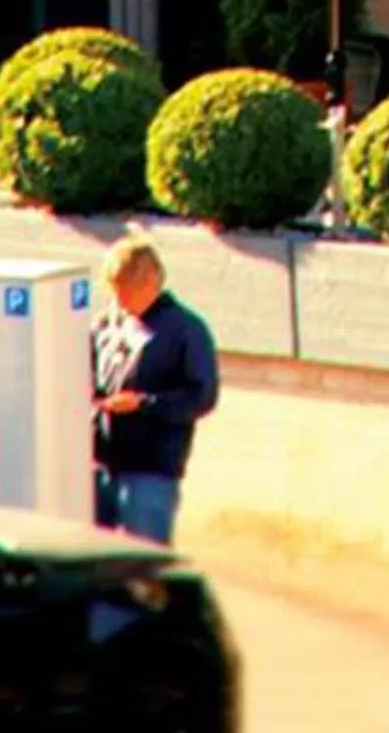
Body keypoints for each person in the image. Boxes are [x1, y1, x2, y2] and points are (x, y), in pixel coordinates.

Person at [91, 229, 219, 546]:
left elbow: (201, 396)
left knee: (141, 567)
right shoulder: (108, 323)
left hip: (151, 472)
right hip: (101, 464)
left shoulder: (186, 331)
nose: (119, 302)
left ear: (151, 284)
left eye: (126, 292)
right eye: (114, 292)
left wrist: (145, 403)